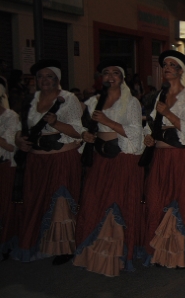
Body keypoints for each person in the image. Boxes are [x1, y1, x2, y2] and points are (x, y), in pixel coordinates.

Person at [73, 59, 144, 276]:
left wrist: (107, 120)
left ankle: (116, 256)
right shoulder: (93, 101)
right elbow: (78, 123)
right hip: (100, 158)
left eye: (115, 73)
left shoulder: (131, 102)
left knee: (118, 202)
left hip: (123, 157)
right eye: (106, 73)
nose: (110, 77)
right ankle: (94, 253)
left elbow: (135, 132)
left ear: (122, 78)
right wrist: (85, 134)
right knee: (95, 200)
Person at [141, 50, 185, 268]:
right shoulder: (159, 96)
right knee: (157, 201)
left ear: (181, 71)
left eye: (173, 65)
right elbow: (151, 124)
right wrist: (148, 136)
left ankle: (179, 254)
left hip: (183, 157)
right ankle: (160, 251)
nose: (167, 68)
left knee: (182, 202)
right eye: (165, 65)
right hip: (161, 157)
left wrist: (169, 114)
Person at [13, 59, 83, 263]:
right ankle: (41, 243)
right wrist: (19, 140)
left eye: (49, 76)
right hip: (36, 160)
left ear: (57, 78)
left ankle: (64, 247)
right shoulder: (31, 100)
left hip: (61, 158)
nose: (44, 80)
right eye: (40, 76)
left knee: (61, 200)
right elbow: (20, 127)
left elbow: (78, 131)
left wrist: (56, 122)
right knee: (36, 200)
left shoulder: (68, 99)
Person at [0, 76, 21, 256]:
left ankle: (6, 243)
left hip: (5, 166)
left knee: (5, 207)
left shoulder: (10, 116)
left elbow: (10, 146)